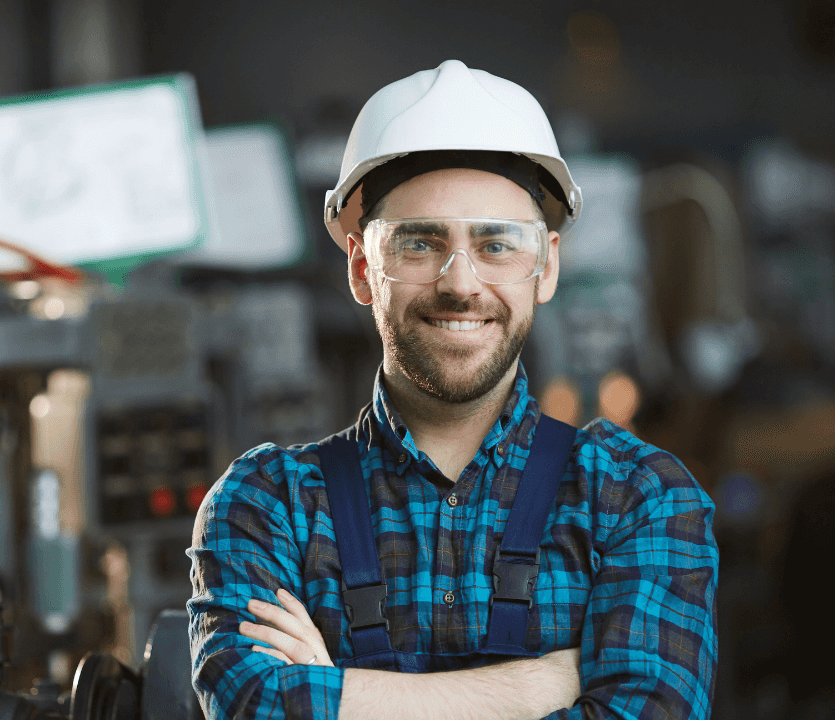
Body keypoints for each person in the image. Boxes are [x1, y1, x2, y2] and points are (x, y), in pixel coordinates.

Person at [187, 60, 718, 720]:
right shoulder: (267, 506)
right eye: (419, 244)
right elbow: (252, 705)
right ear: (361, 269)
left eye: (497, 245)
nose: (461, 283)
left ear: (546, 267)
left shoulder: (635, 497)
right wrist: (531, 689)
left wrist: (336, 694)